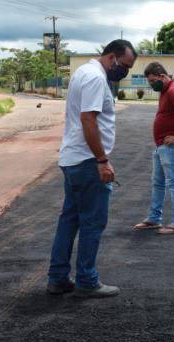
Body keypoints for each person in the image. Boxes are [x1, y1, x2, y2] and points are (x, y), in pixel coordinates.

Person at [47, 40, 137, 298]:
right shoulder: (96, 78)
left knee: (70, 219)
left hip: (74, 158)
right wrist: (101, 160)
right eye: (125, 66)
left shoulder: (84, 72)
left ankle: (58, 277)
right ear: (112, 57)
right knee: (92, 222)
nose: (125, 72)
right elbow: (88, 119)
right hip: (87, 161)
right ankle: (87, 280)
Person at [133, 62, 174, 235]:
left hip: (171, 147)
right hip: (161, 146)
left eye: (153, 81)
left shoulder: (173, 91)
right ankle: (154, 219)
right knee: (158, 184)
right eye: (149, 82)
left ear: (163, 76)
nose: (151, 84)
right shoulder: (165, 91)